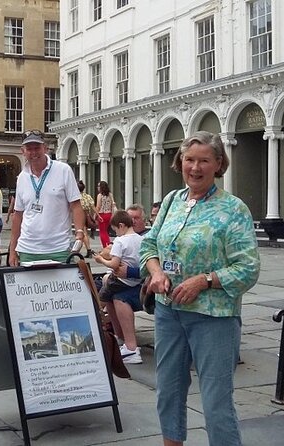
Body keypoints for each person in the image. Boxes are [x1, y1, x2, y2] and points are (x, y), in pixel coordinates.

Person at [140, 131, 260, 446]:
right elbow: (149, 245)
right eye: (190, 160)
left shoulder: (233, 209)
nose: (195, 167)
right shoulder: (171, 201)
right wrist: (155, 273)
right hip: (169, 313)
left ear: (219, 164)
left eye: (204, 160)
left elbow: (248, 268)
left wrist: (204, 280)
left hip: (212, 317)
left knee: (216, 401)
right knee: (168, 391)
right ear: (180, 162)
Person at [9, 129, 86, 265]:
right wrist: (13, 249)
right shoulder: (22, 177)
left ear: (45, 148)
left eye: (37, 148)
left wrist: (79, 232)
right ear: (23, 151)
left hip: (59, 248)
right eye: (29, 149)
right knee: (30, 287)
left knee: (61, 286)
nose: (33, 153)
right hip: (28, 249)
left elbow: (76, 205)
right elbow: (18, 215)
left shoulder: (63, 170)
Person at [93, 210, 143, 364]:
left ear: (120, 226)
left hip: (122, 281)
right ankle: (119, 337)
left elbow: (114, 264)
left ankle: (97, 320)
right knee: (109, 293)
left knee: (102, 294)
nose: (116, 234)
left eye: (115, 230)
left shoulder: (120, 242)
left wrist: (101, 260)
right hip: (136, 282)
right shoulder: (141, 239)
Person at [78, 180, 96, 256]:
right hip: (87, 215)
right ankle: (87, 250)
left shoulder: (77, 197)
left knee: (82, 233)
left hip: (80, 215)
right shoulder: (87, 196)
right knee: (84, 233)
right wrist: (98, 215)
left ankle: (87, 250)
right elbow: (93, 207)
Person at [95, 180, 115, 248]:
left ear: (101, 187)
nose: (97, 187)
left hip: (102, 215)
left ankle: (106, 246)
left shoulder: (100, 195)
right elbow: (113, 205)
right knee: (106, 231)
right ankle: (107, 245)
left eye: (98, 186)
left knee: (102, 232)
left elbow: (98, 206)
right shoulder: (110, 195)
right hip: (109, 214)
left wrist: (95, 215)